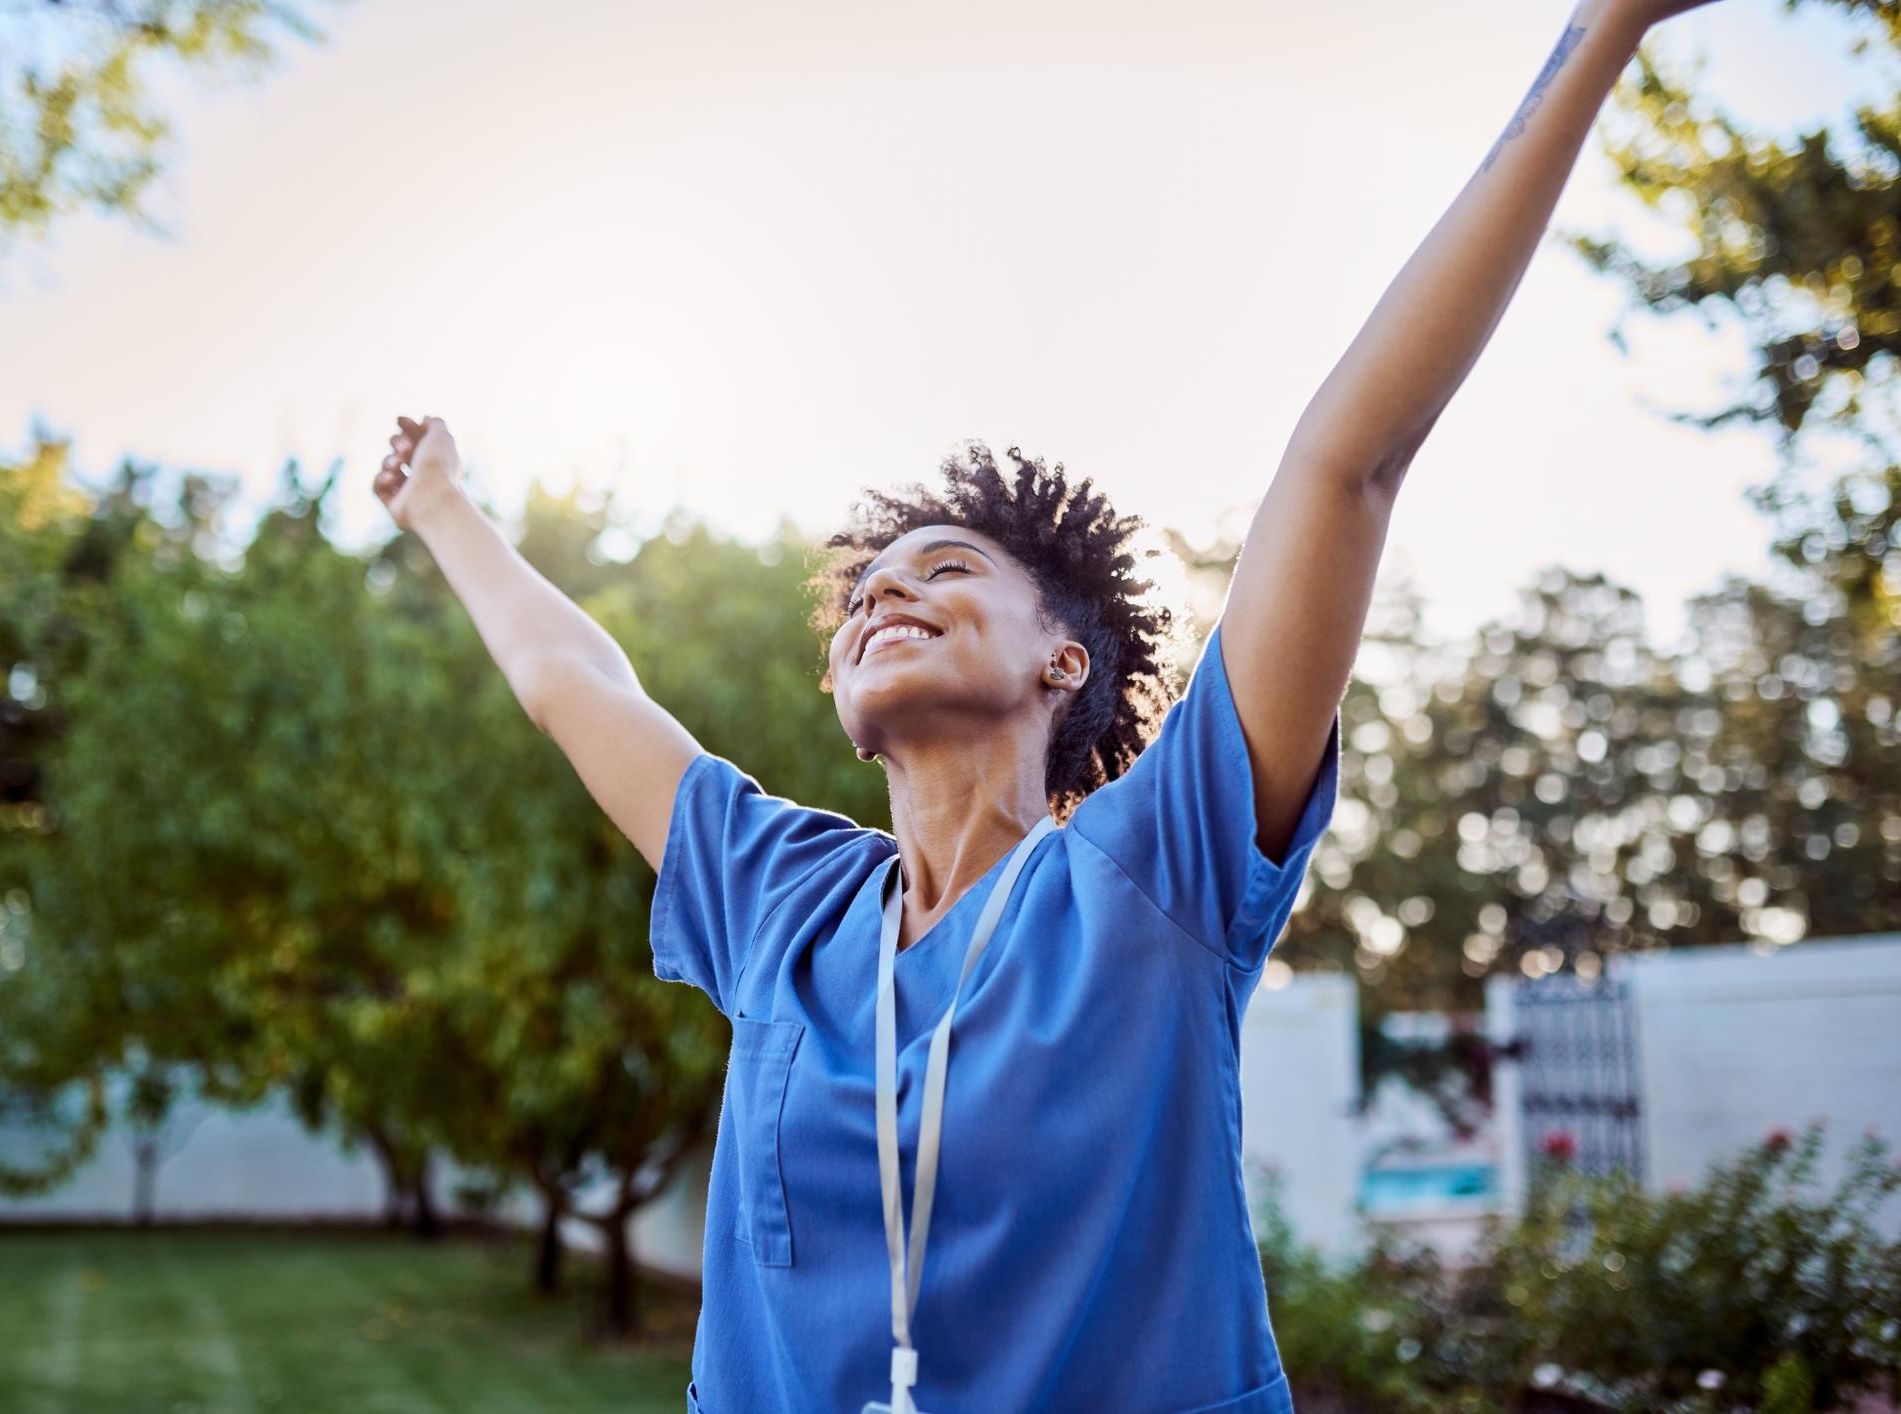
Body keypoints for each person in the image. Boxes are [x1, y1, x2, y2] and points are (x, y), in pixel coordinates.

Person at [373, 1, 1722, 1406]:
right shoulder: (779, 900)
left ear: (1060, 660)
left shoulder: (1155, 870)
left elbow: (1349, 462)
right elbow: (574, 680)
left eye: (942, 570)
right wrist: (446, 509)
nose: (882, 598)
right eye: (859, 601)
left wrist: (1602, 32)